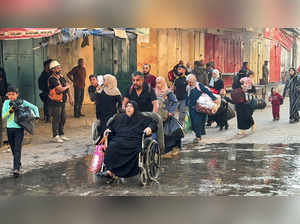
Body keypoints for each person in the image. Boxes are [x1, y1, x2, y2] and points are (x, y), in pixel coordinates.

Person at [100, 101, 157, 179]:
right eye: (127, 106)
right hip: (119, 140)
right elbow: (112, 126)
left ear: (135, 108)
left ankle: (127, 171)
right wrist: (108, 130)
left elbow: (153, 123)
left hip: (134, 141)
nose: (128, 108)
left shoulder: (142, 118)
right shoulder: (119, 117)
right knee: (112, 146)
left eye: (131, 106)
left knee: (134, 149)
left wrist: (149, 128)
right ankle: (111, 171)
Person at [2, 85, 39, 177]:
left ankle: (16, 169)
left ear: (17, 94)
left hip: (19, 128)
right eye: (9, 94)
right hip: (9, 129)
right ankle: (18, 162)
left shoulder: (22, 102)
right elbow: (3, 116)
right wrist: (10, 111)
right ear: (7, 95)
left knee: (17, 148)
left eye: (13, 94)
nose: (11, 96)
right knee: (13, 148)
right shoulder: (6, 103)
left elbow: (35, 107)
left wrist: (37, 116)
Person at [48, 60, 74, 143]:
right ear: (53, 69)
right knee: (56, 118)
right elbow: (60, 89)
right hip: (55, 102)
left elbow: (67, 87)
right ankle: (55, 135)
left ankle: (61, 134)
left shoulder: (61, 77)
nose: (59, 69)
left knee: (63, 118)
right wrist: (67, 86)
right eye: (57, 68)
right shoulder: (52, 79)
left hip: (62, 101)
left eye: (59, 67)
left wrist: (71, 97)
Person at [186, 74, 217, 143]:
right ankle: (198, 134)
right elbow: (187, 97)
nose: (189, 83)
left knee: (198, 122)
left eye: (190, 82)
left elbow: (207, 91)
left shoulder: (199, 85)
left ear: (194, 81)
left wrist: (214, 98)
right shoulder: (188, 87)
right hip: (192, 107)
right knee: (193, 122)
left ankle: (198, 136)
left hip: (200, 107)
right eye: (188, 82)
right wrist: (186, 105)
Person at [155, 77, 180, 159]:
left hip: (167, 115)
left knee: (168, 133)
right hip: (158, 116)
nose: (158, 85)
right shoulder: (154, 92)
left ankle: (169, 150)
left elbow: (175, 102)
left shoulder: (168, 92)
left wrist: (171, 112)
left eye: (160, 82)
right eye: (157, 83)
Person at [94, 74, 122, 139]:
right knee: (103, 130)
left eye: (104, 80)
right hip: (103, 114)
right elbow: (98, 104)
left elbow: (120, 103)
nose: (103, 81)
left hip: (112, 114)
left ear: (110, 81)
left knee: (111, 129)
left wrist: (119, 113)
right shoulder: (101, 90)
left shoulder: (116, 91)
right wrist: (98, 115)